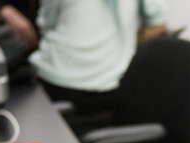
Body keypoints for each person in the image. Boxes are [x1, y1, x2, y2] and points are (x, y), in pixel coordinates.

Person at [28, 0, 167, 118]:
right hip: (111, 86)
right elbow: (158, 25)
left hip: (56, 84)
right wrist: (126, 44)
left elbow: (46, 25)